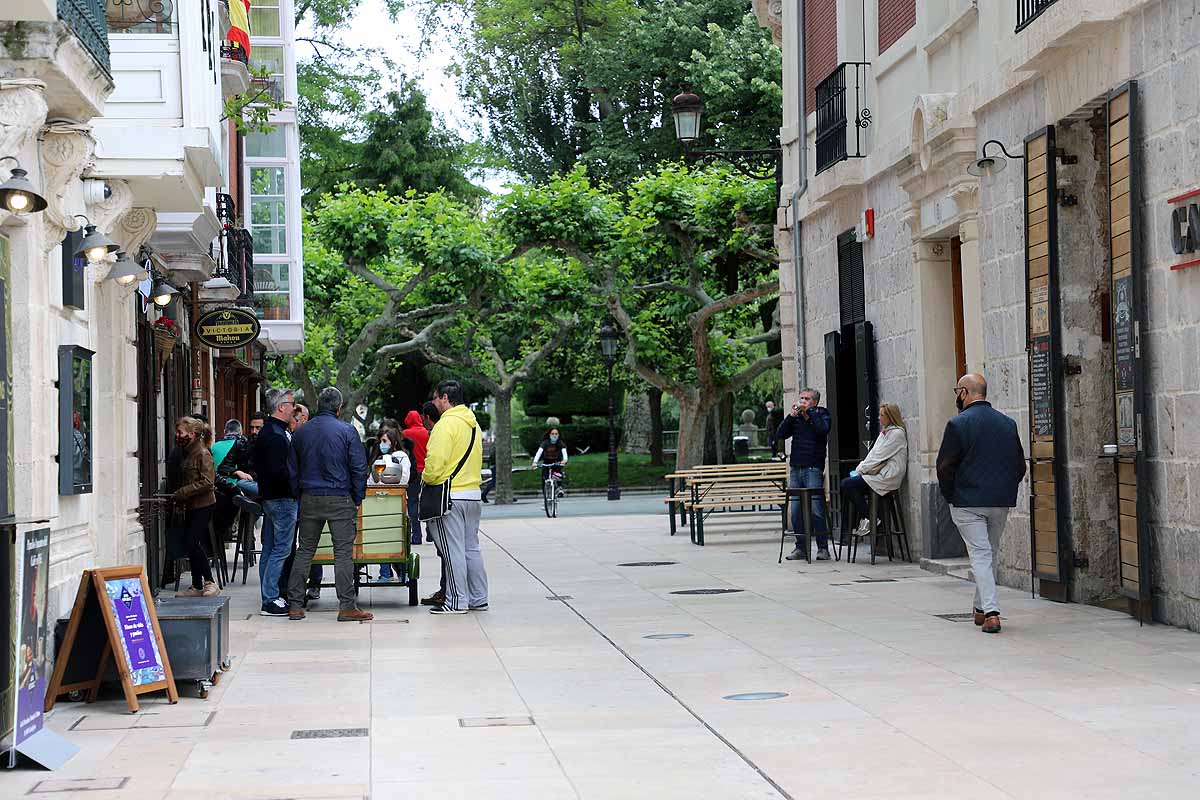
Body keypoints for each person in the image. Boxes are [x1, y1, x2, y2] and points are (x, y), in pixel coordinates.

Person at [936, 374, 1027, 634]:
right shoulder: (1008, 424)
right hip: (999, 500)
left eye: (957, 391)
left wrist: (950, 495)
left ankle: (992, 612)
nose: (956, 396)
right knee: (990, 553)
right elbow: (1019, 465)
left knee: (980, 554)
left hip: (967, 501)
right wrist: (1006, 488)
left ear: (964, 392)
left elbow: (944, 467)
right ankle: (979, 607)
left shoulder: (957, 424)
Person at [286, 387, 372, 622]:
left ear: (317, 406)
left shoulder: (301, 433)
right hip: (339, 497)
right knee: (343, 553)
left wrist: (300, 495)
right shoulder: (347, 431)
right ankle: (346, 606)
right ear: (339, 407)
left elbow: (292, 470)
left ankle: (294, 604)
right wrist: (357, 497)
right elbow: (358, 467)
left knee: (304, 551)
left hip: (309, 497)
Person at [423, 379, 488, 614]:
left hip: (451, 496)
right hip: (473, 494)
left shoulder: (445, 425)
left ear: (445, 398)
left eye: (435, 397)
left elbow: (434, 464)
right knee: (472, 548)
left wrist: (427, 479)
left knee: (453, 551)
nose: (433, 401)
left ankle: (456, 601)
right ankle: (479, 598)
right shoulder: (473, 424)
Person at [251, 387, 297, 617]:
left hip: (271, 497)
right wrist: (296, 484)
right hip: (282, 499)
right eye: (292, 404)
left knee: (270, 548)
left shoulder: (271, 432)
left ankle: (269, 596)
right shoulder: (276, 436)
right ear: (281, 407)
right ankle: (270, 598)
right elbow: (282, 472)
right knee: (280, 549)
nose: (294, 408)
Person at [777, 388, 832, 561]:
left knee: (817, 508)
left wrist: (810, 412)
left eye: (806, 399)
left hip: (813, 468)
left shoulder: (822, 414)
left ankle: (823, 548)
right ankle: (800, 547)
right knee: (795, 510)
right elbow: (780, 434)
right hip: (796, 467)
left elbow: (822, 430)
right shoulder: (796, 417)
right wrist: (791, 416)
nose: (803, 401)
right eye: (801, 398)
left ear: (814, 402)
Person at [840, 403, 909, 537]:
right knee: (850, 485)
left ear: (890, 417)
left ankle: (870, 518)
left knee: (847, 484)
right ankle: (864, 519)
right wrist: (861, 469)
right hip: (879, 474)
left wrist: (860, 470)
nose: (879, 418)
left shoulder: (897, 434)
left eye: (882, 415)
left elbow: (879, 456)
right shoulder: (885, 432)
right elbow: (873, 453)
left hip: (888, 476)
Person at [173, 417, 219, 598]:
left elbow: (208, 481)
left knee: (192, 542)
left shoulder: (202, 453)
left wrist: (184, 491)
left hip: (204, 504)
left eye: (180, 433)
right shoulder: (187, 452)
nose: (178, 436)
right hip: (191, 504)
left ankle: (209, 582)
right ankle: (196, 584)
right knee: (190, 543)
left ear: (192, 434)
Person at [373, 426, 412, 583]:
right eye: (380, 441)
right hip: (379, 502)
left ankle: (400, 572)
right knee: (383, 537)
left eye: (385, 441)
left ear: (393, 441)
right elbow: (372, 479)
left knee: (395, 538)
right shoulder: (379, 458)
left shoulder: (400, 457)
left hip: (395, 502)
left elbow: (403, 478)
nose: (382, 444)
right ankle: (385, 572)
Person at [402, 410, 430, 544]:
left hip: (413, 473)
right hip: (426, 471)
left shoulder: (405, 434)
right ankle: (430, 534)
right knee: (427, 502)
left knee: (412, 503)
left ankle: (416, 536)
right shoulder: (426, 433)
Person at [532, 427, 568, 496]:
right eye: (552, 434)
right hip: (547, 461)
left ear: (558, 435)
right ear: (549, 435)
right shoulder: (545, 443)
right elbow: (539, 452)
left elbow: (564, 453)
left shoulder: (560, 443)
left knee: (557, 474)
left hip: (557, 461)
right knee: (544, 477)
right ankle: (546, 496)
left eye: (556, 434)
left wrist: (565, 460)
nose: (554, 435)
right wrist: (535, 462)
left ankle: (559, 488)